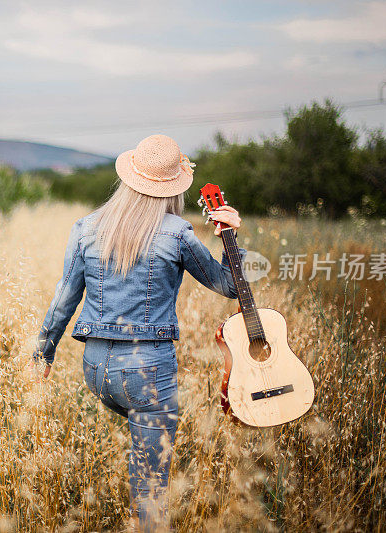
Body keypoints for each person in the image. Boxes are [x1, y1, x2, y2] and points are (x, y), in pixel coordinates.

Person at [31, 134, 244, 531]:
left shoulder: (85, 228)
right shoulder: (176, 233)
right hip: (146, 371)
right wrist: (231, 237)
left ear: (129, 178)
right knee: (151, 486)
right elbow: (228, 287)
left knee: (141, 443)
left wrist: (42, 353)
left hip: (96, 371)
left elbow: (64, 299)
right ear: (173, 189)